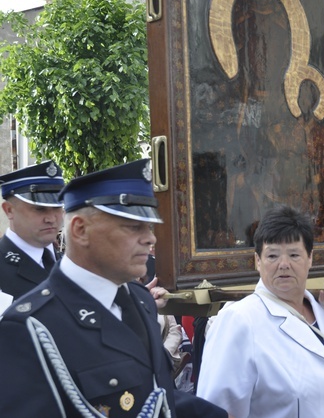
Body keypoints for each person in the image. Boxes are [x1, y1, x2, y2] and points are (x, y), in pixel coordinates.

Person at [0, 159, 229, 417]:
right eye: (133, 227)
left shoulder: (140, 301)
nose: (150, 238)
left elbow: (154, 395)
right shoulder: (25, 328)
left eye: (149, 226)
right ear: (80, 229)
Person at [197, 205, 324, 417]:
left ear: (310, 258)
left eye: (294, 255)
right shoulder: (240, 320)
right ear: (257, 261)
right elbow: (216, 409)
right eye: (272, 256)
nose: (284, 265)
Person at [0, 161, 65, 300]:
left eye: (57, 207)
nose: (51, 218)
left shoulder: (69, 263)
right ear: (9, 210)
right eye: (39, 208)